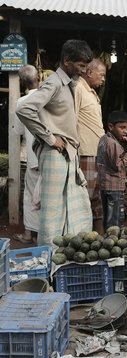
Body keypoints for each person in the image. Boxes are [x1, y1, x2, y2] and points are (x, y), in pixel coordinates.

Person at [16, 39, 93, 245]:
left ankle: (61, 258)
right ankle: (48, 259)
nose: (85, 71)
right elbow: (24, 109)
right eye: (81, 66)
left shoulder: (69, 84)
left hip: (66, 154)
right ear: (67, 61)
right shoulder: (54, 83)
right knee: (52, 213)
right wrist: (49, 137)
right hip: (55, 154)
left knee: (68, 209)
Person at [75, 58, 107, 232]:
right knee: (85, 198)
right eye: (101, 75)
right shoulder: (78, 89)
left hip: (96, 153)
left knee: (97, 198)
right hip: (86, 152)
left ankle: (98, 236)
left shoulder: (91, 92)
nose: (103, 79)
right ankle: (84, 235)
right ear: (89, 72)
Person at [14, 65, 40, 244]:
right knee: (49, 196)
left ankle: (29, 234)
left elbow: (19, 131)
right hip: (53, 156)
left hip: (33, 158)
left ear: (22, 82)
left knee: (31, 196)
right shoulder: (50, 97)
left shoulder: (22, 102)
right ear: (39, 77)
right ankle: (45, 233)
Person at [97, 111, 127, 230]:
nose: (125, 131)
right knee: (115, 220)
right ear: (111, 126)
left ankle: (109, 241)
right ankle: (114, 241)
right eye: (122, 127)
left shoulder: (104, 139)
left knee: (108, 217)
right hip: (114, 187)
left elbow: (110, 162)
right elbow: (118, 166)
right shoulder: (113, 144)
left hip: (105, 186)